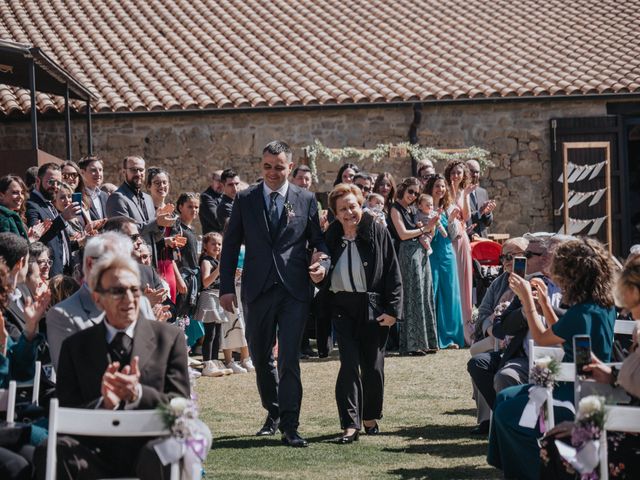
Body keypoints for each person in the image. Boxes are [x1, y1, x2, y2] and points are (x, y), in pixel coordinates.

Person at [34, 254, 190, 480]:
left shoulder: (169, 338)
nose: (128, 299)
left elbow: (180, 406)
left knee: (163, 452)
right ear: (98, 298)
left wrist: (138, 394)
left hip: (149, 448)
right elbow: (66, 413)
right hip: (94, 453)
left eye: (134, 290)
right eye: (118, 291)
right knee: (51, 450)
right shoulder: (76, 346)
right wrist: (103, 403)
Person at [219, 140, 329, 447]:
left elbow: (318, 243)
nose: (272, 172)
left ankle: (290, 425)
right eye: (267, 166)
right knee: (260, 356)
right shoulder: (245, 199)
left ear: (290, 167)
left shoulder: (305, 199)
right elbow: (229, 246)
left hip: (294, 290)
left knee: (289, 359)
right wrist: (226, 287)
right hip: (257, 289)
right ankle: (274, 411)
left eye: (279, 167)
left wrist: (322, 263)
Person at [488, 237, 617, 480]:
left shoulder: (582, 312)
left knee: (507, 414)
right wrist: (546, 304)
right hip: (581, 382)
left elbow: (543, 337)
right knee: (504, 396)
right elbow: (563, 333)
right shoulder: (600, 305)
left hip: (577, 391)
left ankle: (533, 471)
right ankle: (507, 466)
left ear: (572, 277)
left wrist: (527, 301)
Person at [539, 255, 640, 479]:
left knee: (556, 443)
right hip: (624, 422)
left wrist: (589, 425)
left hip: (631, 438)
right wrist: (611, 374)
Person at [323, 183, 402, 443]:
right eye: (343, 209)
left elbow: (393, 271)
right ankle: (350, 424)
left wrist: (393, 310)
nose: (349, 213)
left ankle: (370, 416)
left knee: (373, 368)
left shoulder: (377, 231)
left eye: (353, 206)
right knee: (348, 366)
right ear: (335, 213)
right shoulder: (330, 237)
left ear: (361, 206)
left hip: (373, 308)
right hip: (342, 308)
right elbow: (319, 270)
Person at [46, 232, 142, 369]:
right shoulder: (62, 315)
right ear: (91, 264)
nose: (123, 272)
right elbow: (69, 377)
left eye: (127, 263)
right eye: (114, 264)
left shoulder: (140, 303)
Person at [388, 177, 438, 355]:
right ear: (403, 189)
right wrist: (426, 229)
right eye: (411, 191)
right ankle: (412, 344)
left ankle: (427, 341)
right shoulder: (395, 208)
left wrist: (429, 230)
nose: (413, 195)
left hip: (420, 255)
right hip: (407, 255)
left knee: (424, 296)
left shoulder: (412, 210)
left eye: (416, 193)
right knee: (412, 297)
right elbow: (402, 234)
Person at [105, 156, 174, 266]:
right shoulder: (117, 198)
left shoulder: (147, 198)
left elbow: (154, 237)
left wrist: (161, 225)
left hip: (151, 262)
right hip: (130, 263)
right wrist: (156, 222)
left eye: (141, 170)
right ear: (124, 172)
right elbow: (125, 233)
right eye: (133, 170)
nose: (138, 173)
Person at [424, 174, 465, 349]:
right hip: (430, 252)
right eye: (437, 186)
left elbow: (454, 234)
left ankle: (449, 338)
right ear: (430, 188)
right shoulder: (423, 206)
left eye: (442, 186)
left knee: (449, 293)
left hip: (447, 251)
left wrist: (450, 220)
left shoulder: (449, 207)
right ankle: (431, 337)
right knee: (431, 292)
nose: (440, 190)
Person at [26, 163, 82, 276]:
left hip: (64, 272)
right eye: (51, 182)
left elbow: (57, 242)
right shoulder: (31, 205)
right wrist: (63, 218)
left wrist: (80, 242)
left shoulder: (49, 203)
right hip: (49, 273)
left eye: (59, 182)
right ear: (38, 181)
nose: (55, 186)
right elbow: (38, 240)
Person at [444, 160, 476, 345]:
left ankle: (465, 327)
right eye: (453, 172)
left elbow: (466, 215)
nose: (456, 176)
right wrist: (454, 190)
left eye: (459, 173)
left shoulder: (464, 192)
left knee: (463, 281)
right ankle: (452, 326)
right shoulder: (445, 190)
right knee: (452, 281)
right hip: (448, 239)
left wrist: (463, 193)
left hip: (461, 237)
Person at [197, 232, 232, 377]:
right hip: (209, 296)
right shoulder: (206, 261)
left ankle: (215, 361)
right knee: (210, 333)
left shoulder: (217, 261)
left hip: (218, 297)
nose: (217, 246)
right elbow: (206, 282)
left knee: (218, 333)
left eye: (219, 244)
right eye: (213, 243)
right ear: (205, 246)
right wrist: (219, 270)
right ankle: (207, 363)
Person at [146, 167, 179, 302]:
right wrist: (164, 241)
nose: (162, 186)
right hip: (153, 266)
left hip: (169, 267)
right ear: (149, 186)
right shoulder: (145, 212)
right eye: (157, 183)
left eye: (165, 182)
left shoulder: (173, 213)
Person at [466, 159, 495, 239]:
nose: (475, 174)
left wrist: (487, 213)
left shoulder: (483, 192)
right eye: (471, 171)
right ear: (465, 172)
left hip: (482, 239)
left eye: (477, 172)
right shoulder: (460, 193)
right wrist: (480, 211)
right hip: (467, 239)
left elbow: (487, 223)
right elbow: (463, 218)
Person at [79, 156, 108, 221]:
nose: (98, 174)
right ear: (82, 172)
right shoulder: (78, 197)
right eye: (93, 170)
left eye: (100, 170)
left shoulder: (104, 196)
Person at [199, 170, 224, 234]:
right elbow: (217, 222)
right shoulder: (206, 197)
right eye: (219, 181)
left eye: (223, 181)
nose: (221, 184)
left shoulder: (225, 196)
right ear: (211, 181)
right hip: (212, 241)